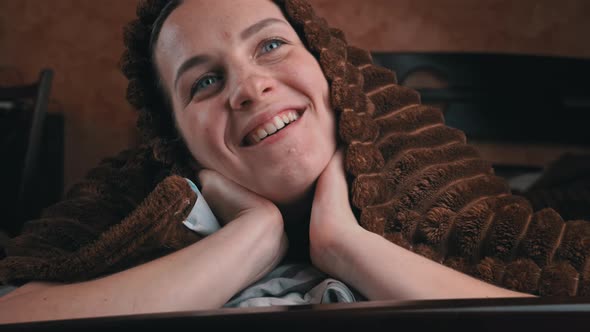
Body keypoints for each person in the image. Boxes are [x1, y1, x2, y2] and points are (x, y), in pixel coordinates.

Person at [0, 0, 533, 324]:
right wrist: (254, 236)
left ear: (331, 71)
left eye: (271, 45)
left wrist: (345, 246)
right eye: (204, 81)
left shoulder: (444, 194)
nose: (250, 88)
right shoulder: (134, 199)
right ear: (177, 140)